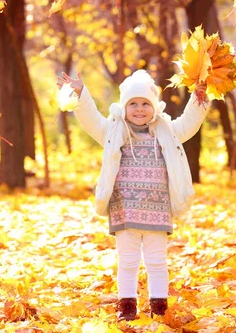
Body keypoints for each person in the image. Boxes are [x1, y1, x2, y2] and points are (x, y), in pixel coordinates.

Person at [56, 69, 210, 321]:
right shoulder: (113, 130)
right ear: (123, 107)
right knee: (127, 261)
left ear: (155, 107)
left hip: (158, 209)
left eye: (145, 104)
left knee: (157, 261)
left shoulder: (166, 130)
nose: (139, 109)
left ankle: (159, 308)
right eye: (133, 104)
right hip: (124, 209)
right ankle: (126, 307)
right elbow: (90, 118)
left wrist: (198, 98)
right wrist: (81, 94)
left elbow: (189, 123)